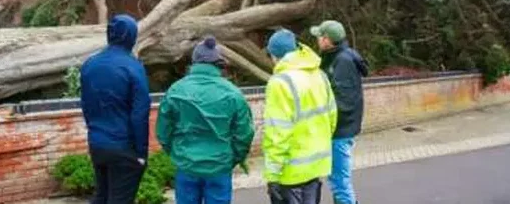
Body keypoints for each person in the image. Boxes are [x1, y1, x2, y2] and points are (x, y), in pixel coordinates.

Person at [156, 36, 255, 204]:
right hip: (219, 165)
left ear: (194, 62)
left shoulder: (175, 90)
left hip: (186, 164)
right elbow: (244, 135)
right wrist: (233, 158)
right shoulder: (233, 94)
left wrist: (177, 154)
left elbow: (163, 131)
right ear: (218, 64)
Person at [80, 14, 151, 204]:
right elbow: (140, 113)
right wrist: (141, 153)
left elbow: (86, 106)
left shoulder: (89, 65)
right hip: (124, 147)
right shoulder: (133, 68)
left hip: (97, 143)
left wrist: (94, 132)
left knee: (102, 197)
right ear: (132, 36)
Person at [262, 29, 337, 204]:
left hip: (290, 171)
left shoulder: (280, 83)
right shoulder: (320, 75)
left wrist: (273, 174)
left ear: (276, 56)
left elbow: (277, 133)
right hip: (316, 165)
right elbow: (332, 117)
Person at [311, 20, 369, 204]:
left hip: (340, 130)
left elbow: (343, 102)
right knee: (337, 180)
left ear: (327, 40)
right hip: (341, 129)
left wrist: (325, 122)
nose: (317, 40)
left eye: (320, 37)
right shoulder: (336, 57)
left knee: (339, 182)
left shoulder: (342, 61)